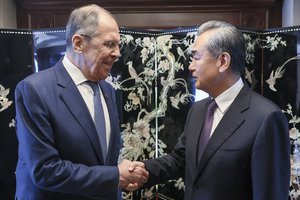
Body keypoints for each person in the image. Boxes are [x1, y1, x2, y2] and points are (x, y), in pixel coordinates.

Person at [141, 21, 291, 200]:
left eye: (196, 58)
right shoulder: (198, 110)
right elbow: (181, 160)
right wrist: (139, 170)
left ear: (223, 61)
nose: (190, 66)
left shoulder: (266, 118)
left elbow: (270, 193)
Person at [14, 4, 147, 200]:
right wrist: (115, 176)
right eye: (110, 44)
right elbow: (44, 170)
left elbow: (103, 160)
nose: (117, 53)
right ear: (78, 43)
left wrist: (120, 178)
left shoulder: (109, 91)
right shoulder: (34, 90)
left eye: (118, 45)